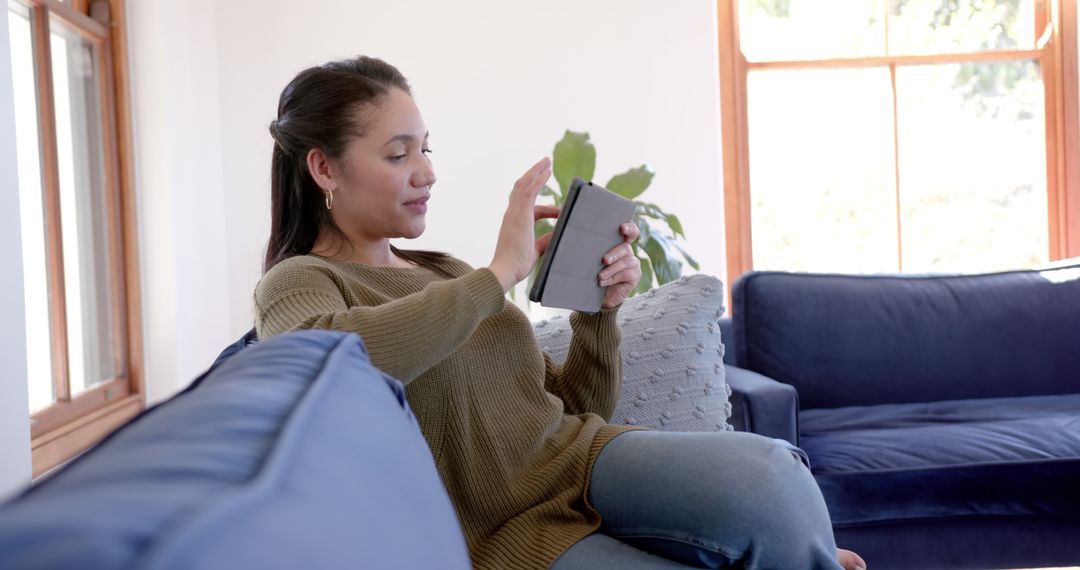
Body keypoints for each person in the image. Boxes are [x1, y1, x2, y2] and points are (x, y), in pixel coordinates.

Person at [254, 55, 867, 570]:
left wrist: (598, 314)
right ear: (324, 166)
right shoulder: (300, 283)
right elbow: (333, 361)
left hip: (585, 460)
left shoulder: (444, 271)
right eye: (397, 155)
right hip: (505, 530)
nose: (428, 173)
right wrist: (498, 275)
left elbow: (577, 409)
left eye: (426, 149)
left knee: (773, 474)